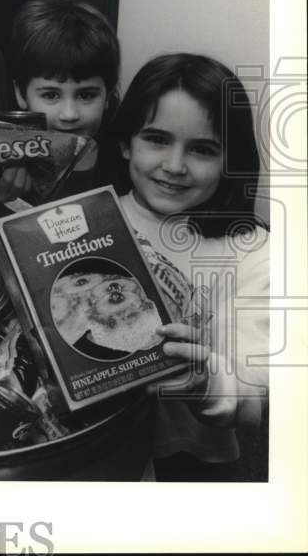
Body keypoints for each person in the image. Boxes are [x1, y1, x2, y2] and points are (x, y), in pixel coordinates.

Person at [113, 53, 269, 480]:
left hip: (195, 457)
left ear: (229, 160)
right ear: (127, 142)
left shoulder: (252, 250)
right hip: (100, 451)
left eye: (202, 149)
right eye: (157, 139)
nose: (175, 166)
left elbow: (257, 379)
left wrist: (205, 383)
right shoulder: (90, 220)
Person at [8, 0, 122, 195]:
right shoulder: (8, 163)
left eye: (86, 95)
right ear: (21, 94)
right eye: (51, 95)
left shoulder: (121, 162)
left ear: (108, 96)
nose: (69, 114)